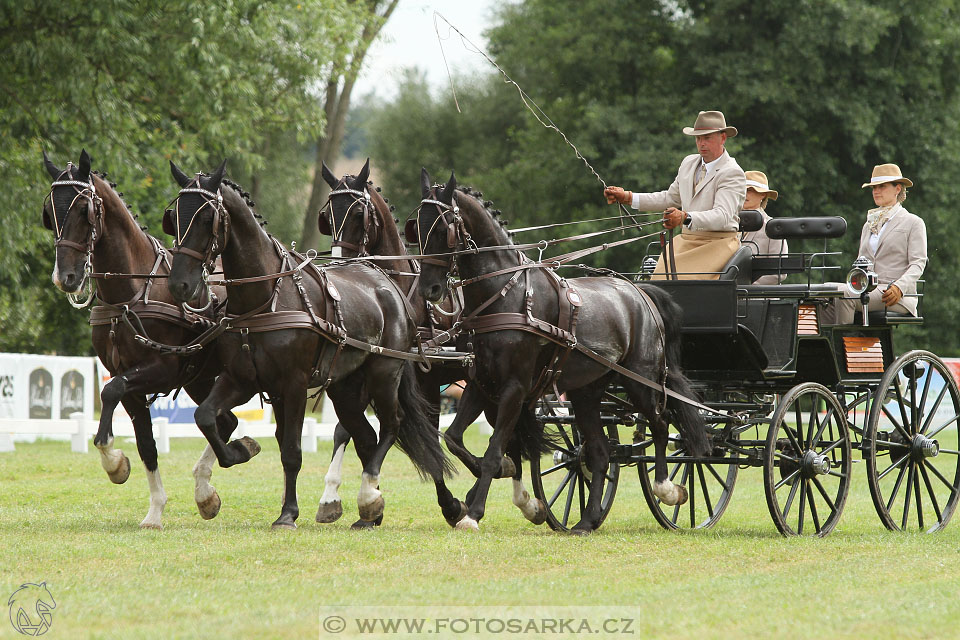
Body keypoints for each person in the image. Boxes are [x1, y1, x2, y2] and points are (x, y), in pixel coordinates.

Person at [604, 110, 746, 280]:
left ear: (723, 138)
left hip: (718, 244)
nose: (701, 144)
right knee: (657, 280)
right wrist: (628, 197)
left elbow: (722, 216)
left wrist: (685, 217)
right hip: (686, 240)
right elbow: (669, 198)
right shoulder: (688, 163)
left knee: (684, 284)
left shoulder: (732, 172)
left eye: (707, 138)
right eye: (698, 138)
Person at [821, 164, 926, 324]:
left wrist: (899, 287)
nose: (876, 191)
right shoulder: (869, 224)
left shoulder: (913, 222)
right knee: (824, 290)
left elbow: (918, 263)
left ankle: (844, 344)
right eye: (874, 187)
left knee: (844, 295)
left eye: (882, 186)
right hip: (867, 288)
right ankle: (822, 345)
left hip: (896, 295)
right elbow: (860, 263)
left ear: (897, 189)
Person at [741, 170, 788, 284]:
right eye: (742, 189)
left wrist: (746, 286)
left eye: (751, 190)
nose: (745, 193)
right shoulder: (727, 223)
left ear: (763, 195)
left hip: (760, 298)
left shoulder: (773, 228)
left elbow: (779, 272)